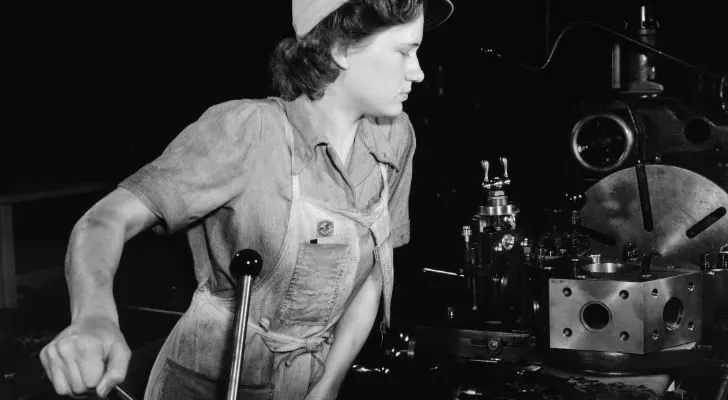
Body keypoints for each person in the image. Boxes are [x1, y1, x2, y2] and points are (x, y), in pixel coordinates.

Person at [39, 0, 454, 399]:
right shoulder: (249, 132)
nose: (417, 72)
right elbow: (106, 220)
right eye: (404, 51)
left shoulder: (394, 138)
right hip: (209, 384)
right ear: (341, 48)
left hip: (308, 383)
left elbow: (374, 272)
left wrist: (328, 385)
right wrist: (93, 317)